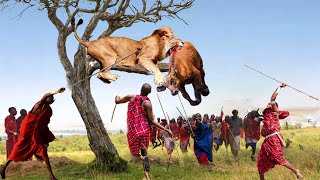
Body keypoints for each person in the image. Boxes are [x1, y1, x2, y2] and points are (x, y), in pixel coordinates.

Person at [0, 87, 65, 180]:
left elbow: (43, 123)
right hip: (27, 128)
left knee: (42, 149)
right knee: (19, 147)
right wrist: (56, 92)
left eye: (52, 98)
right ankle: (4, 167)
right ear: (46, 98)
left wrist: (46, 135)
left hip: (36, 131)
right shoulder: (39, 104)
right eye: (50, 97)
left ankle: (51, 175)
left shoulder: (48, 110)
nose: (52, 99)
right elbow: (45, 96)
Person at [115, 83, 173, 180]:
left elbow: (117, 101)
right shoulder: (147, 104)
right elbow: (152, 121)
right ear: (149, 93)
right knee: (144, 153)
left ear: (140, 89)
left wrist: (117, 97)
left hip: (134, 131)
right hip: (144, 131)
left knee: (135, 155)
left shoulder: (131, 97)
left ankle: (145, 168)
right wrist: (165, 129)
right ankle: (146, 174)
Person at [257, 83, 303, 180]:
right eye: (268, 104)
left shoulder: (274, 112)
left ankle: (296, 171)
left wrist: (279, 88)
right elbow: (263, 133)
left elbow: (273, 98)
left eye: (270, 104)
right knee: (260, 160)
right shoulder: (266, 117)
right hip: (267, 142)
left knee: (278, 158)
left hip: (274, 139)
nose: (268, 104)